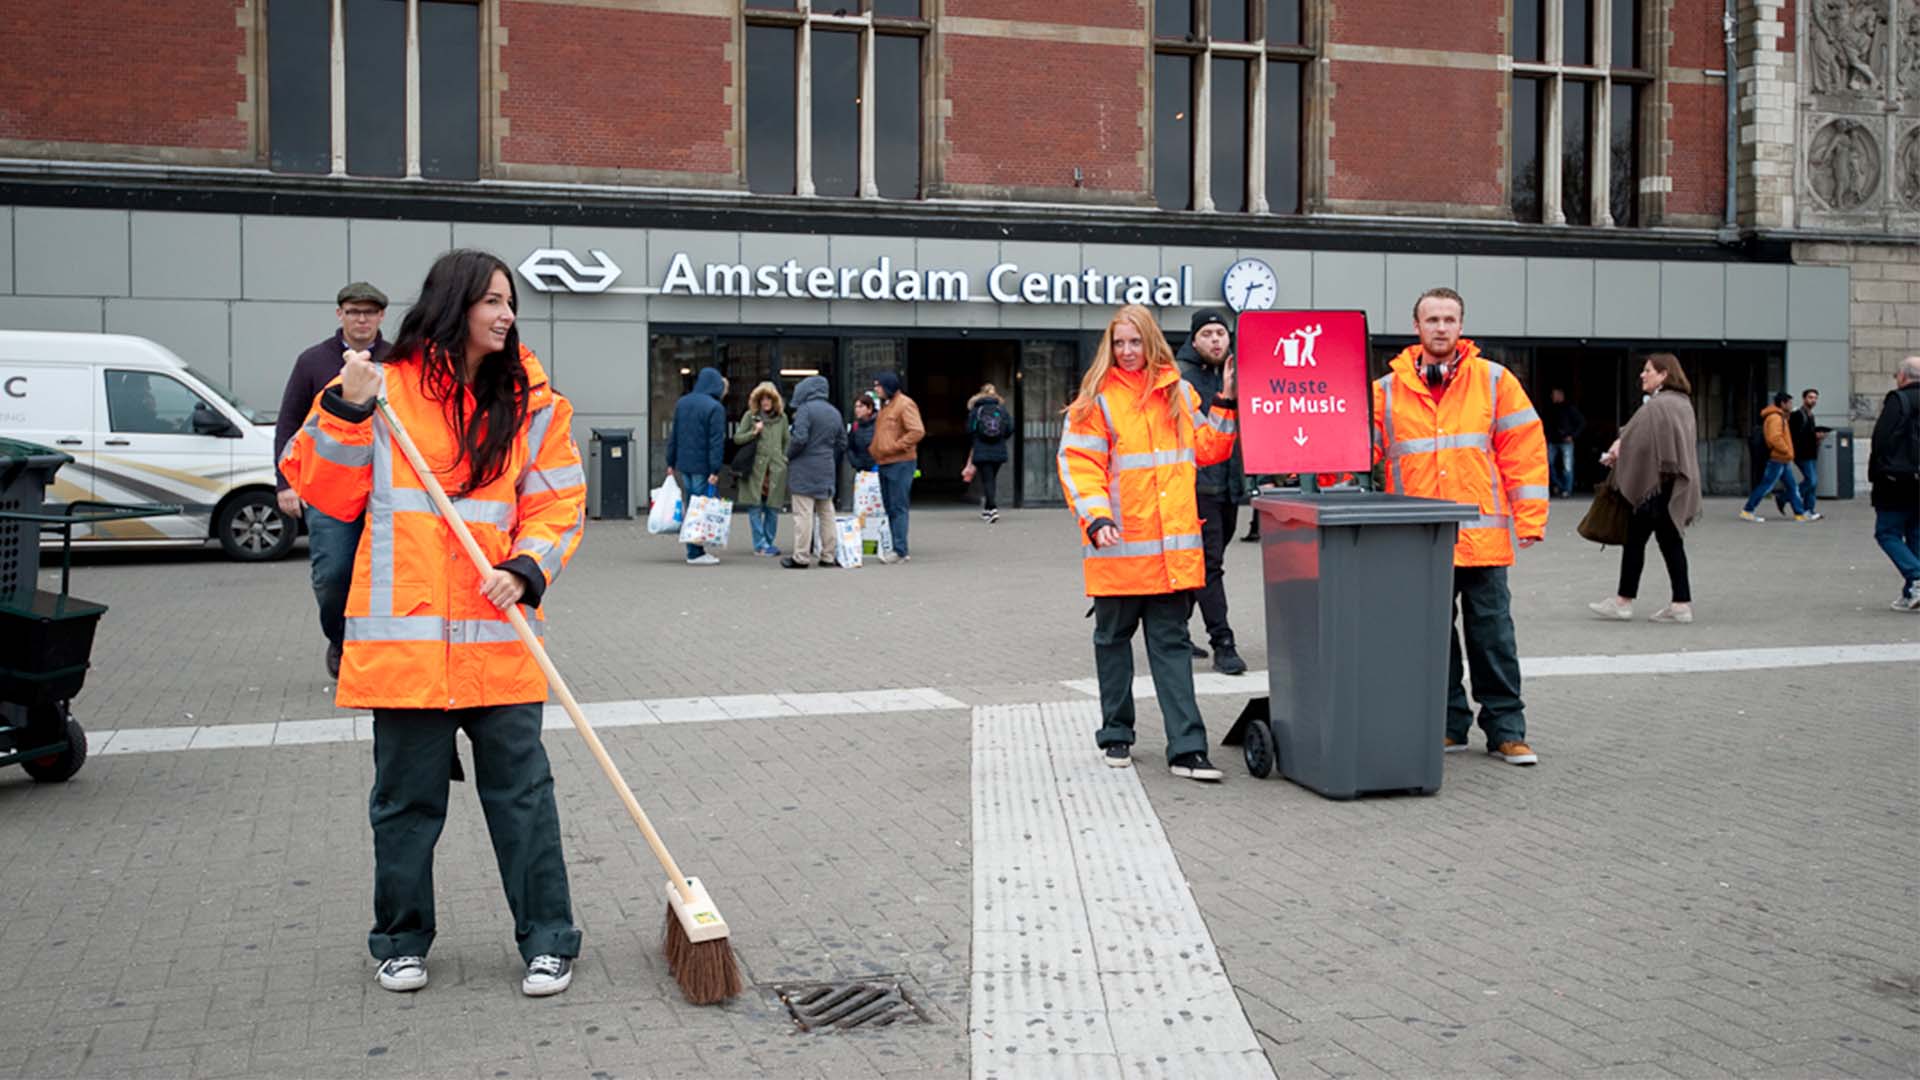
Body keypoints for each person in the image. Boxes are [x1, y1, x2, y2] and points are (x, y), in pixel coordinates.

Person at [278, 249, 586, 998]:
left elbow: (556, 501)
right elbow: (320, 488)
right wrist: (346, 409)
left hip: (497, 637)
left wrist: (526, 568)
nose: (506, 314)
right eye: (491, 300)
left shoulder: (535, 403)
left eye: (510, 301)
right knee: (406, 807)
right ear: (454, 306)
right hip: (407, 647)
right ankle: (401, 940)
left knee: (524, 801)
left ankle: (549, 940)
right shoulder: (384, 392)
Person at [1057, 305, 1239, 782]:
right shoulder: (1095, 399)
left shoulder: (1178, 393)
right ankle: (1116, 734)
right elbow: (1079, 466)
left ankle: (1187, 747)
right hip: (1118, 548)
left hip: (1168, 556)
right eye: (1119, 343)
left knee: (1172, 647)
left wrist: (1226, 403)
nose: (1127, 351)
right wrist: (1096, 519)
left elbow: (1208, 449)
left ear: (1152, 342)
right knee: (1113, 643)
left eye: (1135, 341)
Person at [1373, 287, 1548, 766]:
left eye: (1449, 319)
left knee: (1493, 639)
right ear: (1417, 328)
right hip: (1418, 540)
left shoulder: (1494, 381)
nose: (1441, 328)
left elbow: (1524, 450)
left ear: (1461, 325)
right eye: (1432, 320)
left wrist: (1530, 518)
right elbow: (1355, 453)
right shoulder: (1384, 391)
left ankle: (1507, 729)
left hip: (1482, 539)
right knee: (1432, 641)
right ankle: (1448, 725)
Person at [273, 282, 391, 678]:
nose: (362, 319)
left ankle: (376, 649)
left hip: (385, 491)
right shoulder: (313, 362)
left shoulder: (399, 362)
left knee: (385, 579)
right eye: (354, 311)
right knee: (333, 575)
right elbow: (289, 423)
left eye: (370, 312)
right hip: (329, 492)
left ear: (381, 317)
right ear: (339, 314)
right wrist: (284, 484)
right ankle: (340, 639)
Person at [1588, 354, 1702, 624]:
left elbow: (1636, 440)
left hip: (1653, 490)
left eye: (1648, 370)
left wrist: (1618, 449)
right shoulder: (1683, 404)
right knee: (1670, 544)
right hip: (1673, 487)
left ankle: (1624, 602)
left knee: (1635, 542)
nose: (1642, 374)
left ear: (1664, 375)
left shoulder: (1657, 406)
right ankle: (1680, 604)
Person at [1174, 309, 1249, 675]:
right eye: (1208, 334)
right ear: (1194, 339)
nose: (1217, 340)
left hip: (1230, 486)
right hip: (1197, 486)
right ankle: (1224, 642)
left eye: (1222, 333)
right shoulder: (1181, 379)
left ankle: (1176, 630)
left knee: (1204, 565)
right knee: (1209, 566)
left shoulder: (1237, 373)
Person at [1868, 356, 1920, 611]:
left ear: (1902, 376)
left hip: (1897, 479)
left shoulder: (1898, 400)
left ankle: (1917, 576)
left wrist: (1876, 475)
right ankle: (1912, 592)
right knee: (1915, 533)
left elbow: (1881, 440)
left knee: (1887, 532)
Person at [782, 374, 846, 569]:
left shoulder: (805, 410)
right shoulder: (835, 412)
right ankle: (828, 555)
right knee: (827, 513)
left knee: (804, 514)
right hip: (826, 468)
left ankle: (801, 557)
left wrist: (788, 454)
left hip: (804, 469)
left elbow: (799, 438)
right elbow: (842, 442)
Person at [666, 368, 728, 564]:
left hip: (684, 464)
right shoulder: (715, 408)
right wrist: (715, 469)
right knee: (700, 509)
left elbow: (674, 435)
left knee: (691, 504)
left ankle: (693, 549)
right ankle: (695, 552)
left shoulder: (682, 403)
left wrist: (670, 462)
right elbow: (716, 442)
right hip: (703, 466)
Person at [871, 371, 924, 563]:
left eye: (878, 385)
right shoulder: (886, 406)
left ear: (888, 386)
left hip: (900, 462)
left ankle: (900, 550)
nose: (876, 389)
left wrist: (895, 447)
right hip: (885, 461)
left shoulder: (904, 404)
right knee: (891, 507)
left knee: (898, 506)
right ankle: (897, 547)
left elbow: (917, 431)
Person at [1741, 393, 1819, 522]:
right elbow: (1775, 438)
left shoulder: (1780, 417)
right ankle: (1748, 510)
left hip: (1782, 459)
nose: (1791, 405)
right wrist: (1787, 450)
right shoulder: (1775, 418)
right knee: (1766, 485)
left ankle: (1799, 513)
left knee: (1792, 487)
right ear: (1783, 404)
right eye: (1789, 403)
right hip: (1778, 458)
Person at [732, 381, 789, 557]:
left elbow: (787, 440)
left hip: (775, 469)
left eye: (769, 399)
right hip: (755, 469)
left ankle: (768, 542)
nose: (765, 402)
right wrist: (753, 433)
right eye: (762, 399)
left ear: (774, 400)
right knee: (754, 506)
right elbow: (737, 438)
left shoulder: (782, 418)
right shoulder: (751, 416)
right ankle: (760, 544)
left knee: (773, 507)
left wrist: (783, 459)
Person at [963, 383, 1013, 524]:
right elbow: (1010, 428)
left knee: (987, 480)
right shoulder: (1001, 410)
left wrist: (977, 439)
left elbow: (969, 429)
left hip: (981, 448)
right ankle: (987, 510)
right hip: (999, 449)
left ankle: (992, 508)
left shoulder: (977, 410)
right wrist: (1000, 438)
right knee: (992, 479)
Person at [1781, 388, 1828, 515]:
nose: (1813, 400)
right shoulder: (1798, 414)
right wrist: (1814, 436)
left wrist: (1817, 436)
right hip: (1801, 453)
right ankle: (1786, 497)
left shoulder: (1810, 415)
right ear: (1804, 399)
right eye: (1810, 397)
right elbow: (1794, 435)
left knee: (1813, 483)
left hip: (1811, 453)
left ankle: (1809, 509)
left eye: (1815, 398)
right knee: (1811, 481)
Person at [1542, 387, 1585, 497]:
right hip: (1552, 440)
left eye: (1555, 395)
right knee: (1548, 464)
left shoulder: (1569, 409)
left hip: (1566, 440)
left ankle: (1567, 489)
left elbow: (1581, 422)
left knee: (1567, 467)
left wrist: (1573, 436)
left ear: (1561, 395)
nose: (1553, 397)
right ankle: (1559, 485)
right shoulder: (1549, 409)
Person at [848, 391, 880, 472]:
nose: (857, 409)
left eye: (861, 406)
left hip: (878, 470)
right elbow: (849, 447)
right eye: (856, 407)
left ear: (870, 408)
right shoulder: (855, 426)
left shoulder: (880, 424)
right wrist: (855, 462)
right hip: (862, 472)